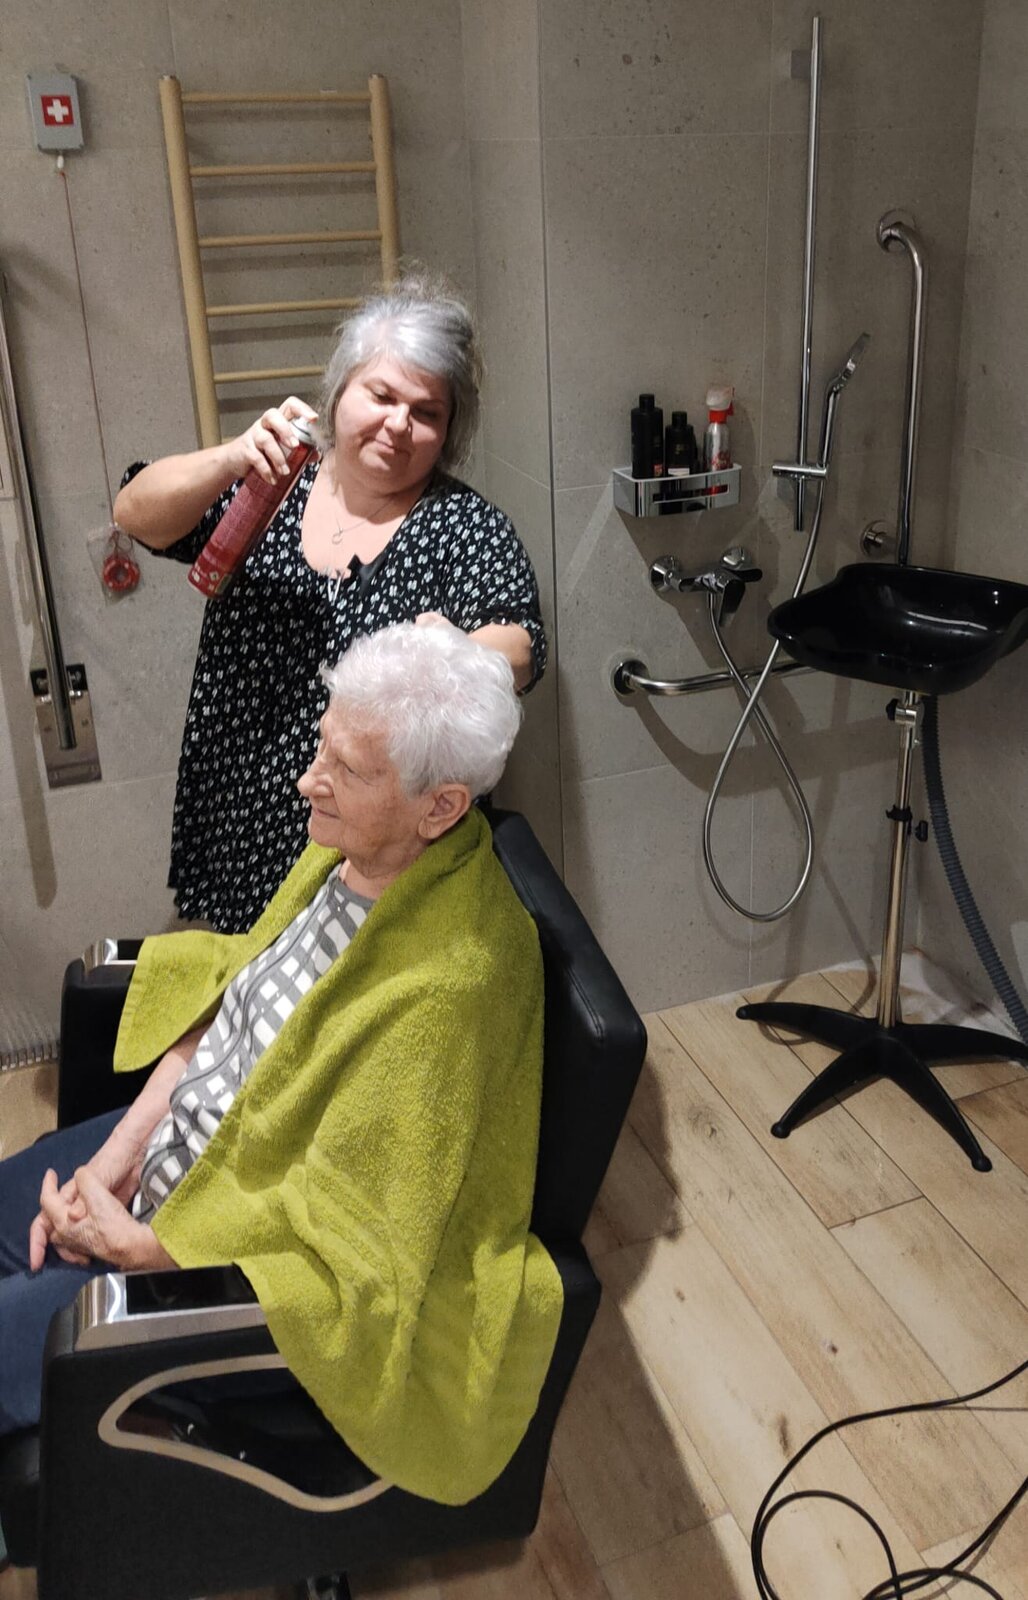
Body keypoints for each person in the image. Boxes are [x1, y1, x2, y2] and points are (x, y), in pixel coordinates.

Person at [0, 622, 562, 1508]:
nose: (309, 780)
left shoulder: (450, 989)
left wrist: (141, 1250)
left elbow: (360, 1257)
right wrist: (114, 1161)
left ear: (441, 808)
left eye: (348, 769)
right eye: (321, 746)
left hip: (213, 1259)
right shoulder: (349, 855)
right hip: (181, 1156)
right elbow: (232, 1010)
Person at [113, 272, 547, 933]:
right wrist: (230, 458)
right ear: (340, 390)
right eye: (382, 395)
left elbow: (520, 648)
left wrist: (452, 654)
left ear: (448, 431)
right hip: (240, 801)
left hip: (375, 839)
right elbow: (135, 512)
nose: (399, 424)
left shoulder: (463, 525)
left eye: (427, 412)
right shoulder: (270, 484)